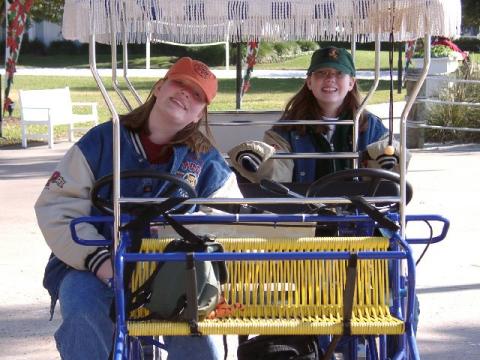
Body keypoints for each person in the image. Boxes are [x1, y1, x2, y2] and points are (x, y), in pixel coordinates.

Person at [35, 57, 242, 360]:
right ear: (159, 88)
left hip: (175, 272)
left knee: (199, 337)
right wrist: (99, 261)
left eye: (197, 95)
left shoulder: (205, 160)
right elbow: (57, 207)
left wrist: (190, 251)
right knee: (83, 316)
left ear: (201, 113)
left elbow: (228, 217)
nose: (186, 94)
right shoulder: (103, 141)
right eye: (179, 83)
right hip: (92, 266)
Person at [228, 46, 406, 184]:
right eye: (322, 73)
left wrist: (391, 155)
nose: (330, 79)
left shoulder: (370, 126)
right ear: (309, 82)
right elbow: (277, 171)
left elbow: (391, 165)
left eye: (339, 73)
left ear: (351, 83)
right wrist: (258, 159)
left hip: (359, 218)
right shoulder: (287, 129)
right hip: (305, 219)